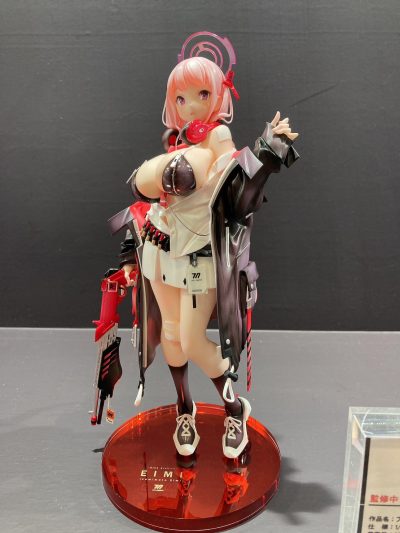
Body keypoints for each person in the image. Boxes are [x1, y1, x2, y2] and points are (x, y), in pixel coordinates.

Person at [112, 34, 299, 459]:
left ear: (217, 94)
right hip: (160, 247)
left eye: (200, 95)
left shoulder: (218, 137)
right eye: (181, 98)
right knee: (172, 338)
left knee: (193, 340)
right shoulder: (176, 139)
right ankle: (184, 408)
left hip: (199, 252)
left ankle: (234, 409)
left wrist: (267, 152)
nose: (190, 106)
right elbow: (147, 196)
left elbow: (239, 196)